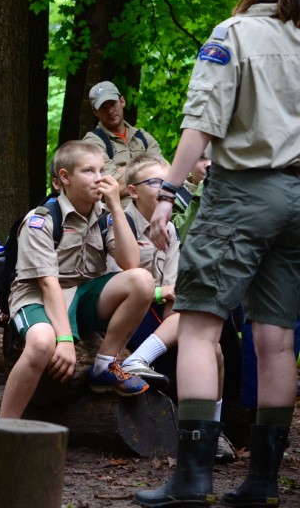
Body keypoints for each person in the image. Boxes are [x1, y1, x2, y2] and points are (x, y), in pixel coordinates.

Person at [135, 0, 300, 507]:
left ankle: (193, 478)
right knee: (277, 338)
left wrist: (167, 193)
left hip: (243, 196)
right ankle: (261, 483)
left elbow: (200, 125)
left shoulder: (234, 33)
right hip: (298, 203)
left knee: (199, 327)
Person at [0, 140, 153, 420]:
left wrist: (117, 207)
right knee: (42, 344)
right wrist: (65, 339)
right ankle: (4, 428)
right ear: (64, 179)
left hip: (81, 295)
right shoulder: (42, 220)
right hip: (36, 297)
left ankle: (104, 365)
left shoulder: (105, 218)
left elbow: (131, 264)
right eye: (88, 171)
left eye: (101, 170)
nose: (99, 178)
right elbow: (47, 284)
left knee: (142, 281)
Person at [108, 155, 235, 463]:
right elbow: (111, 283)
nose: (164, 188)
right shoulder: (115, 222)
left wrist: (173, 314)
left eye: (167, 183)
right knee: (194, 320)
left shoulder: (169, 230)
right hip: (124, 319)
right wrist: (159, 295)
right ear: (133, 190)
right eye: (155, 183)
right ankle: (138, 360)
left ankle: (211, 431)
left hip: (161, 321)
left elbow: (174, 285)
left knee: (214, 349)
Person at [83, 81, 162, 204]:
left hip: (154, 214)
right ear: (95, 112)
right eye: (103, 107)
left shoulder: (143, 137)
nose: (110, 111)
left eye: (113, 104)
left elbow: (163, 175)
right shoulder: (92, 143)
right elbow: (107, 188)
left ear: (122, 101)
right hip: (118, 217)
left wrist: (121, 171)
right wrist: (148, 174)